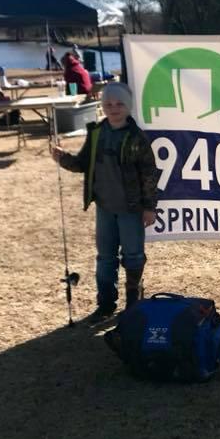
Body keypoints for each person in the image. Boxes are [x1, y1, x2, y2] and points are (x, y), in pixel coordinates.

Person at [52, 82, 161, 323]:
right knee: (105, 258)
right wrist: (63, 158)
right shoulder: (97, 133)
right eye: (109, 104)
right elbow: (82, 163)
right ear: (102, 107)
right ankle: (106, 303)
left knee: (133, 256)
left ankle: (133, 302)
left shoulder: (137, 137)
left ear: (129, 106)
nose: (114, 108)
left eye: (120, 103)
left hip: (131, 210)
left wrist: (149, 207)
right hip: (104, 207)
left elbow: (149, 173)